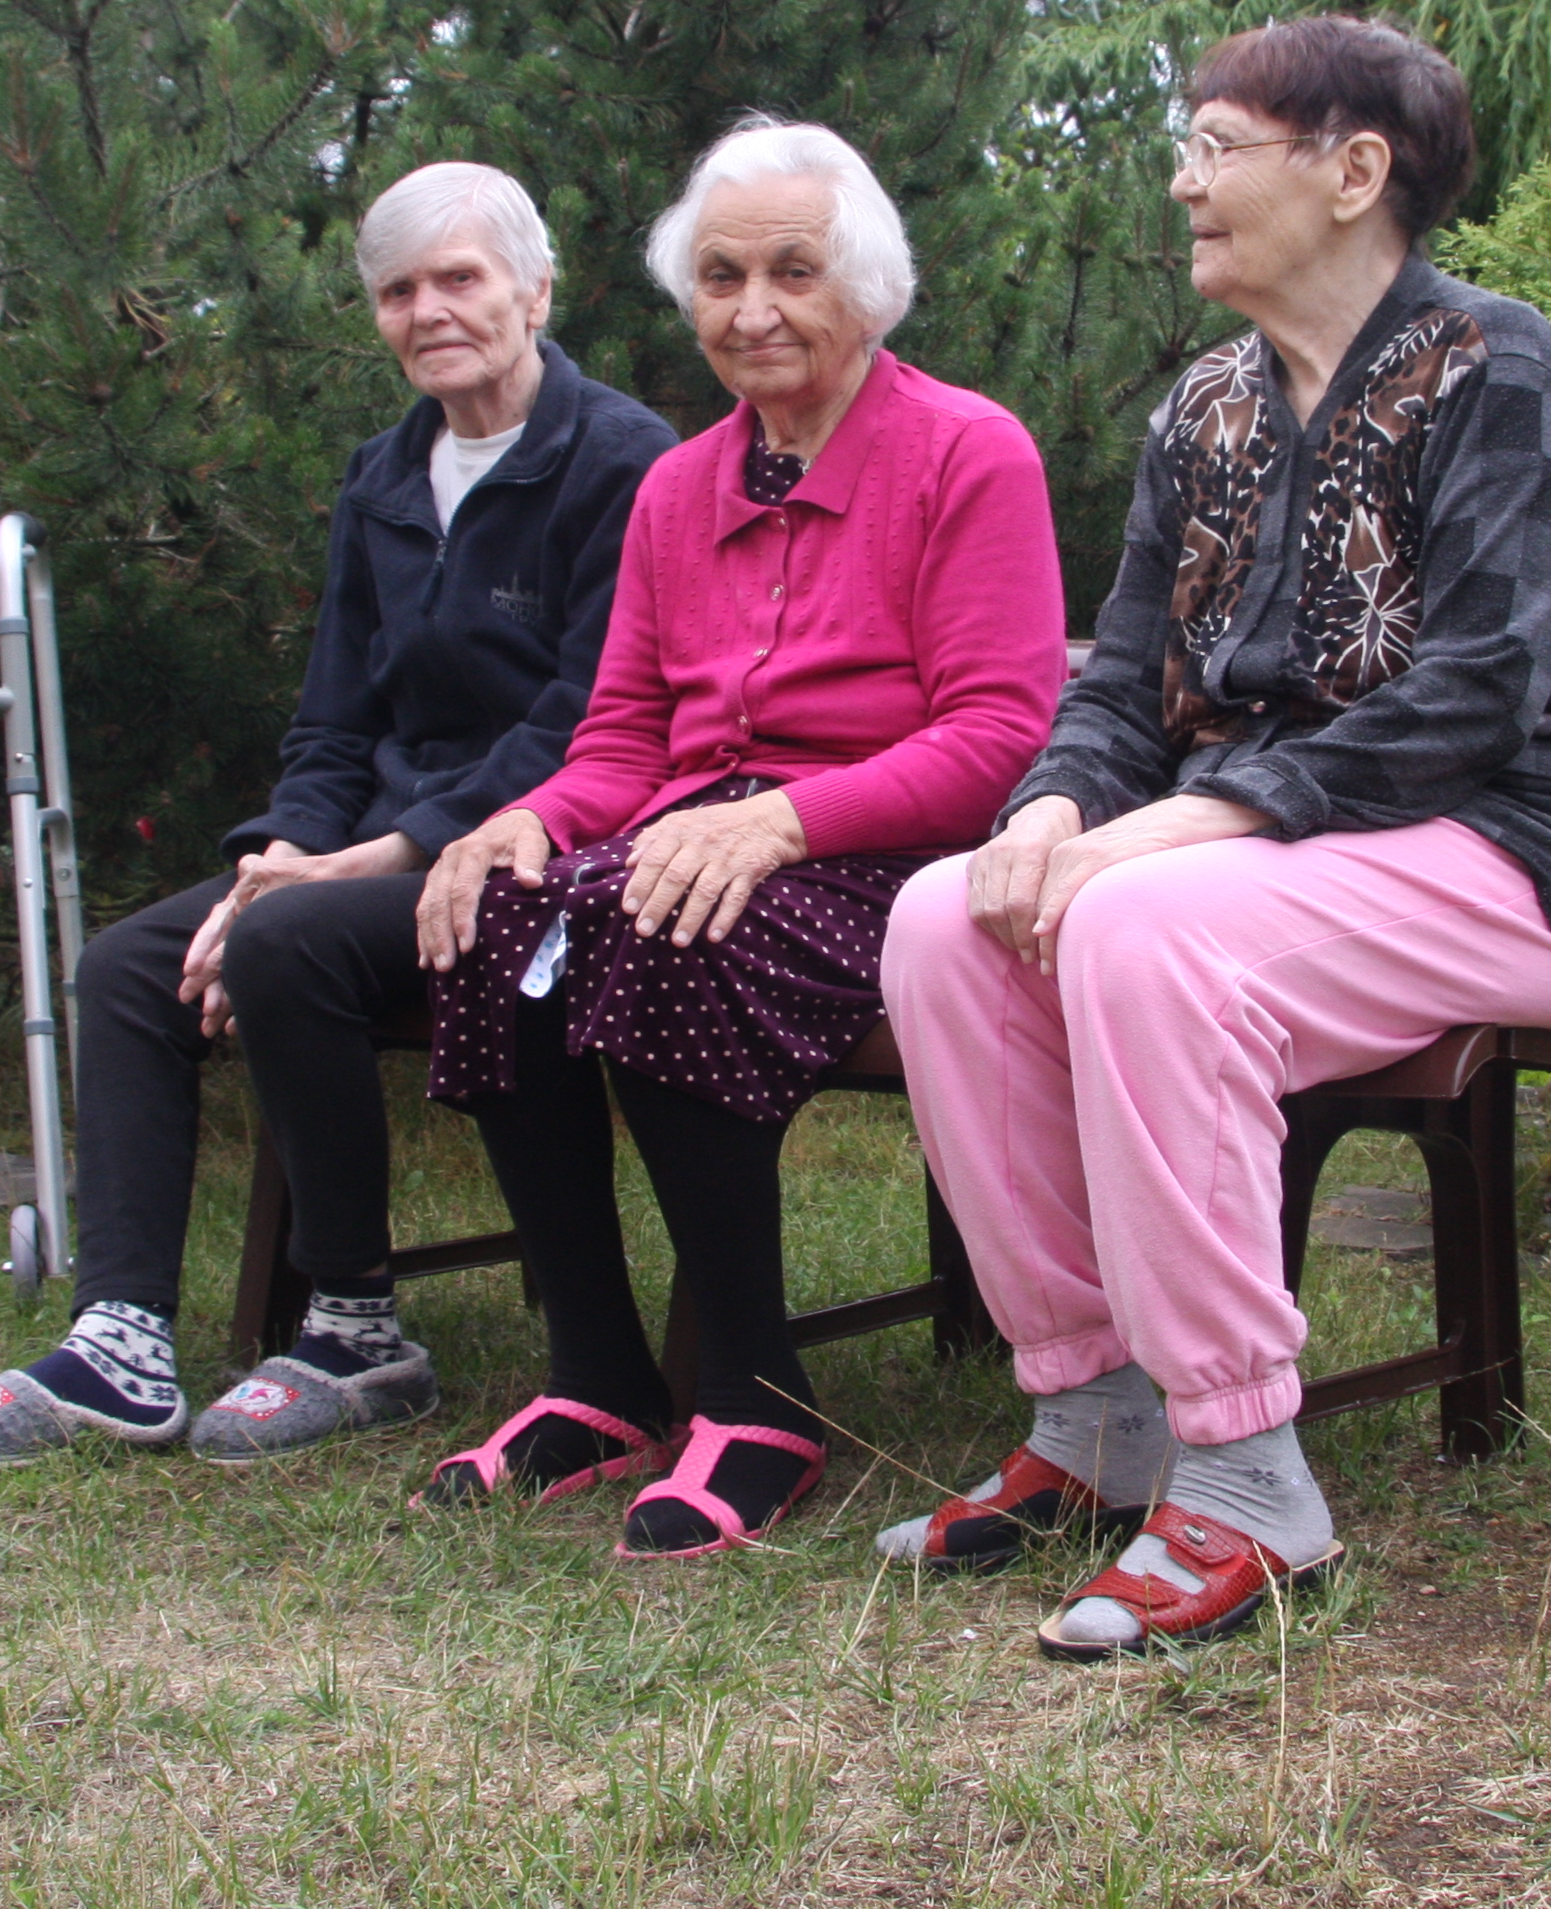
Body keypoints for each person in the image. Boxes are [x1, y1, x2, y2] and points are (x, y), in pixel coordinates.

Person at [874, 16, 1551, 1658]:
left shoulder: (1493, 362)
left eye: (1218, 147)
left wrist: (1180, 831)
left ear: (1355, 170)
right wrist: (1052, 810)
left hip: (1529, 839)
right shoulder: (1204, 410)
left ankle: (1248, 1480)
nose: (1184, 184)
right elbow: (1123, 685)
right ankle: (1098, 1415)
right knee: (944, 923)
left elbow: (1479, 692)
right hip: (1275, 856)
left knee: (1145, 926)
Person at [0, 162, 673, 1470]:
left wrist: (355, 867)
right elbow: (332, 723)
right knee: (129, 966)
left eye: (460, 278)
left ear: (537, 291)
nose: (428, 311)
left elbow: (588, 718)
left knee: (284, 940)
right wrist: (278, 856)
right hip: (363, 851)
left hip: (540, 846)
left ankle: (357, 1330)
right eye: (397, 291)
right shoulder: (382, 478)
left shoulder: (621, 461)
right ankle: (120, 1340)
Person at [411, 117, 1064, 1559]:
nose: (751, 310)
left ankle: (758, 1399)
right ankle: (597, 1380)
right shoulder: (678, 485)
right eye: (720, 278)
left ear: (869, 288)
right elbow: (622, 742)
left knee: (674, 924)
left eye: (791, 272)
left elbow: (996, 738)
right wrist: (523, 822)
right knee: (493, 921)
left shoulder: (967, 451)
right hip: (704, 838)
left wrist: (783, 819)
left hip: (895, 853)